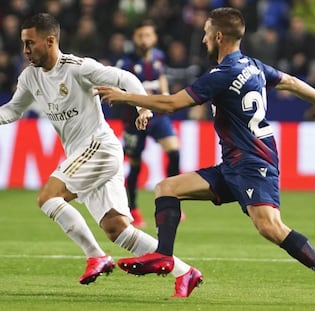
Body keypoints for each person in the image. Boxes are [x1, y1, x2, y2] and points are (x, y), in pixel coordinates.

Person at [97, 7, 315, 306]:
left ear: (218, 36)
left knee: (270, 227)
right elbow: (291, 82)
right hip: (233, 163)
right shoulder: (253, 65)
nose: (204, 38)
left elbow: (170, 103)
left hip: (253, 162)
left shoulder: (221, 75)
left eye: (206, 33)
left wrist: (125, 96)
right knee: (167, 188)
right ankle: (165, 256)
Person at [0, 13, 202, 298]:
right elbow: (12, 110)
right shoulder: (30, 77)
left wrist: (143, 108)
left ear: (50, 40)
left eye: (30, 43)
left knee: (48, 197)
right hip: (85, 155)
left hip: (98, 146)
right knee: (117, 229)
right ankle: (185, 271)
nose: (25, 51)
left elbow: (126, 77)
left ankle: (95, 256)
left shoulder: (78, 68)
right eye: (23, 44)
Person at [114, 19, 181, 228]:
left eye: (148, 35)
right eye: (140, 35)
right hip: (135, 120)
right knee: (134, 165)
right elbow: (120, 91)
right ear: (134, 38)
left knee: (174, 152)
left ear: (155, 38)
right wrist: (140, 98)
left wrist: (165, 94)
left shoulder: (159, 57)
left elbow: (161, 77)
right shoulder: (125, 63)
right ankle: (132, 207)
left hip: (158, 117)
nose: (144, 39)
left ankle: (171, 200)